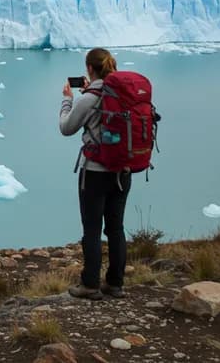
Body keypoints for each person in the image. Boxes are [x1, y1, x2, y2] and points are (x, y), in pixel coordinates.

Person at [58, 47, 129, 300]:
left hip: (95, 172)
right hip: (123, 171)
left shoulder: (89, 98)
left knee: (91, 228)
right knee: (116, 228)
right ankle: (115, 283)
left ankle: (90, 285)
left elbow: (67, 128)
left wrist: (68, 99)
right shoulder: (123, 93)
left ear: (89, 68)